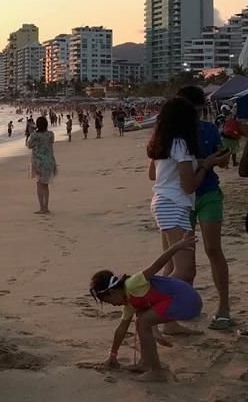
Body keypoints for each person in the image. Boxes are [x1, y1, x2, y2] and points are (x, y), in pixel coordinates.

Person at [90, 234, 201, 382]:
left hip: (185, 299)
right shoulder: (128, 303)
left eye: (110, 301)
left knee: (143, 322)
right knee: (141, 320)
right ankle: (146, 362)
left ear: (113, 291)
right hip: (177, 302)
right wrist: (113, 355)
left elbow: (156, 266)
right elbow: (121, 329)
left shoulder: (133, 283)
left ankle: (156, 372)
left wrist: (176, 247)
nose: (114, 305)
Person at [145, 98, 226, 287]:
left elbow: (152, 175)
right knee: (184, 271)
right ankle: (145, 298)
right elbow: (189, 186)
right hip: (173, 204)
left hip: (167, 203)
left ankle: (165, 311)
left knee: (183, 270)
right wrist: (206, 165)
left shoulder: (162, 142)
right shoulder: (180, 144)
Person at [176, 86, 232, 329]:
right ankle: (184, 303)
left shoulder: (208, 129)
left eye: (199, 112)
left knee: (212, 249)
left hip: (208, 193)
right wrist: (207, 162)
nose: (197, 116)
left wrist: (216, 160)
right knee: (183, 259)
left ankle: (224, 306)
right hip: (181, 199)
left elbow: (223, 159)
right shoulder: (174, 134)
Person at [26, 116, 56, 214]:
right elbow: (51, 142)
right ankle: (46, 207)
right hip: (49, 161)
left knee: (39, 185)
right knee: (45, 185)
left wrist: (31, 133)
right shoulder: (50, 134)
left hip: (38, 162)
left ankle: (42, 207)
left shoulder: (35, 135)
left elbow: (28, 145)